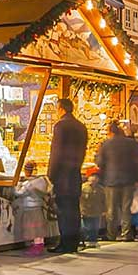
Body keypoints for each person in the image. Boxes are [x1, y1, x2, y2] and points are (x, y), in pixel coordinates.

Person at [47, 98, 87, 254]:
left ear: (61, 109)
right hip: (75, 174)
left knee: (63, 212)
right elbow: (82, 151)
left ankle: (65, 243)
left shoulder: (61, 126)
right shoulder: (81, 127)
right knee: (74, 210)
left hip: (62, 176)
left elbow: (56, 153)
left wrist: (51, 175)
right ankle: (73, 243)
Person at [96, 121, 138, 242]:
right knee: (126, 208)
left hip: (111, 180)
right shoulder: (131, 143)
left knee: (111, 209)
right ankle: (126, 234)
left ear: (110, 132)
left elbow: (100, 162)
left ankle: (111, 234)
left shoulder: (106, 144)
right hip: (128, 180)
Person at [14, 160, 50, 257]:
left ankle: (36, 247)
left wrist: (17, 185)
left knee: (32, 229)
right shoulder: (42, 181)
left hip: (30, 208)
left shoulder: (29, 184)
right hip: (38, 207)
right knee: (39, 228)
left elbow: (19, 193)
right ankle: (40, 245)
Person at [80, 172, 105, 248]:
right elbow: (80, 199)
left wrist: (104, 210)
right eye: (92, 177)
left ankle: (93, 240)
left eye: (95, 178)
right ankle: (88, 240)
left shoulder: (101, 189)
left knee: (95, 227)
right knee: (87, 226)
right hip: (86, 211)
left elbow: (104, 200)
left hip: (97, 211)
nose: (94, 179)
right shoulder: (83, 187)